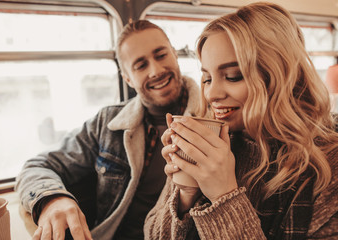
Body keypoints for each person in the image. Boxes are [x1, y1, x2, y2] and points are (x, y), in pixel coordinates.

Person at [144, 2, 338, 239]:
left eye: (233, 76)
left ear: (279, 76)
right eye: (207, 79)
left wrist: (223, 196)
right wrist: (185, 194)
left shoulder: (328, 167)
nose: (211, 94)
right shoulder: (207, 141)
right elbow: (152, 235)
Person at [15, 19, 200, 240]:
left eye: (161, 55)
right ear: (127, 78)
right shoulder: (107, 124)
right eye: (141, 65)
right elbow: (37, 165)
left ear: (175, 54)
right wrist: (52, 199)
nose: (156, 70)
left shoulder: (213, 118)